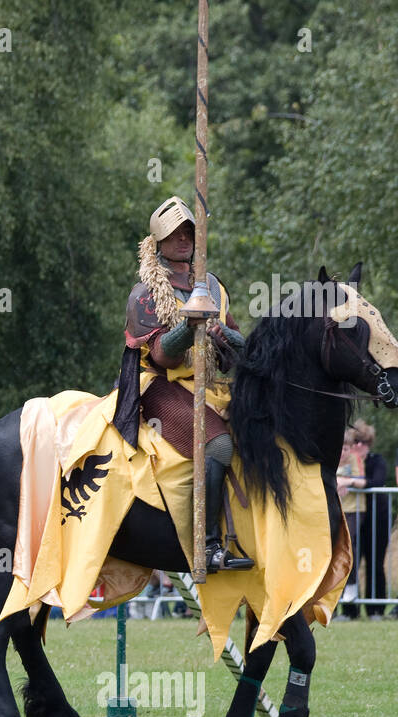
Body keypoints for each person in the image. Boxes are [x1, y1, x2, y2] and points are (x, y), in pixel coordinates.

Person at [112, 195, 250, 572]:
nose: (184, 240)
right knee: (219, 445)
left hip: (209, 385)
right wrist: (191, 327)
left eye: (189, 232)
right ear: (158, 242)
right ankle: (205, 547)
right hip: (158, 386)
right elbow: (161, 355)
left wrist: (223, 335)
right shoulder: (145, 294)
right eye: (175, 235)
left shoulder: (213, 288)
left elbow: (242, 350)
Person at [351, 420, 390, 618]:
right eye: (355, 442)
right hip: (353, 518)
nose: (359, 446)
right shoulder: (345, 463)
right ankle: (350, 610)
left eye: (363, 442)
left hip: (377, 519)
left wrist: (351, 482)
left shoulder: (377, 461)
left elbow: (377, 481)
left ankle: (376, 609)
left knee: (376, 562)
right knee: (350, 564)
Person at [335, 427, 366, 617]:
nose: (343, 454)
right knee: (336, 552)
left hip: (354, 510)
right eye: (340, 449)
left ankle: (352, 585)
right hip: (336, 510)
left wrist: (346, 482)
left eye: (346, 449)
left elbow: (362, 481)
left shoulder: (355, 459)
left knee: (349, 546)